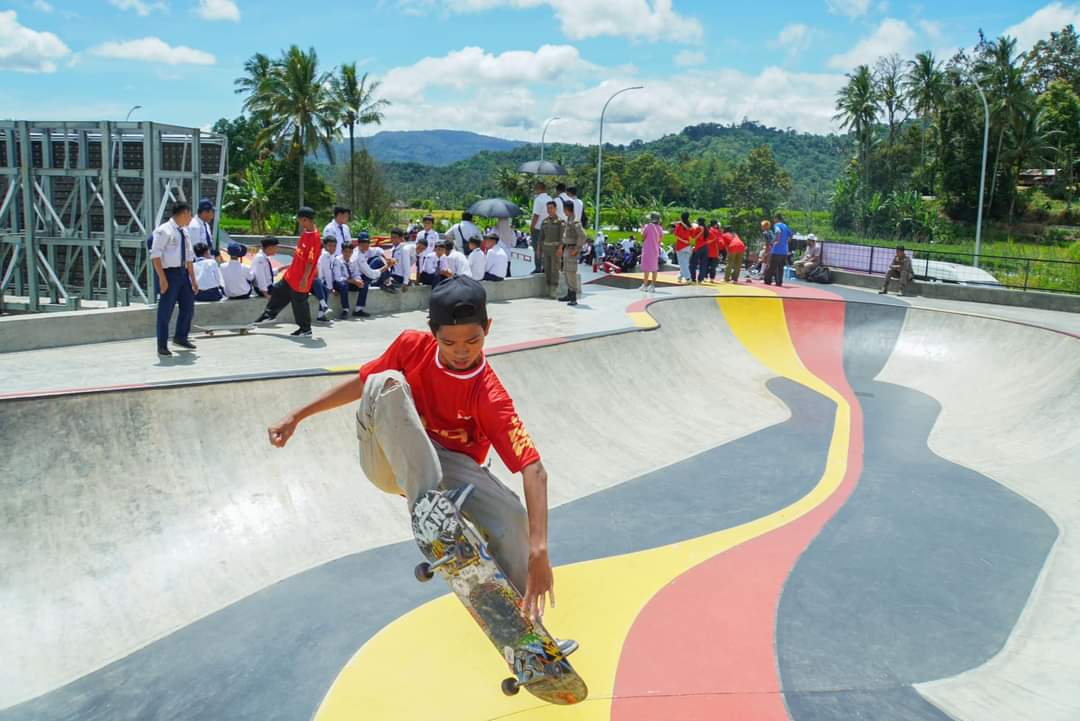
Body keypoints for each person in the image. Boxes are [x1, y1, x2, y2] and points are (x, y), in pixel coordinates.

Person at [267, 276, 560, 622]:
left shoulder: (489, 395)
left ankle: (529, 631)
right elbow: (362, 385)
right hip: (387, 455)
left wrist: (538, 551)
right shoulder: (411, 347)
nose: (462, 351)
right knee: (384, 381)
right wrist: (298, 415)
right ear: (433, 333)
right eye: (449, 342)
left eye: (473, 340)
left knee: (511, 514)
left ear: (488, 329)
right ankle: (429, 511)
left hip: (446, 469)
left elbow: (533, 468)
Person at [254, 206, 320, 337]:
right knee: (279, 290)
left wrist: (305, 278)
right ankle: (270, 315)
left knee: (299, 303)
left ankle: (305, 329)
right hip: (292, 274)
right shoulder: (306, 233)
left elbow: (310, 261)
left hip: (301, 278)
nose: (299, 223)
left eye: (300, 220)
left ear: (306, 220)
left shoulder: (315, 238)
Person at [150, 202, 197, 356]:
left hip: (183, 273)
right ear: (184, 213)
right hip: (169, 273)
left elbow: (189, 257)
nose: (191, 218)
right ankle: (162, 344)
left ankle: (181, 336)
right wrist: (162, 279)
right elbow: (155, 256)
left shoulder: (184, 231)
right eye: (190, 215)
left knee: (188, 306)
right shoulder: (164, 231)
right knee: (166, 310)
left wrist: (193, 280)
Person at [558, 198, 585, 306]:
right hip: (567, 249)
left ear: (566, 209)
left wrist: (577, 249)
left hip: (571, 250)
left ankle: (573, 297)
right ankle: (569, 294)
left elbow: (583, 236)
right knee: (566, 272)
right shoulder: (569, 220)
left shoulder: (575, 221)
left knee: (571, 273)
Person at [538, 200, 564, 299]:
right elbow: (541, 237)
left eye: (551, 208)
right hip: (546, 249)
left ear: (555, 208)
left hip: (555, 249)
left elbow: (562, 237)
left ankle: (554, 289)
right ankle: (548, 288)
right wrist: (538, 249)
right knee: (547, 269)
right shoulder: (544, 221)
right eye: (548, 208)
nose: (549, 210)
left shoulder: (560, 221)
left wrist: (560, 248)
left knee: (554, 269)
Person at [341, 242, 371, 318]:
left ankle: (358, 309)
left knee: (365, 283)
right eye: (346, 251)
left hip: (351, 281)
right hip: (340, 283)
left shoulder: (353, 261)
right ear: (342, 251)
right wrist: (354, 281)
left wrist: (358, 281)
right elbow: (338, 277)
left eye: (350, 252)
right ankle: (345, 310)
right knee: (344, 285)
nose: (348, 254)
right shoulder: (338, 261)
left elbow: (356, 273)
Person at [529, 181, 553, 274]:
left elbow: (536, 215)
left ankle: (538, 267)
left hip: (539, 228)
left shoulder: (538, 200)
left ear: (539, 189)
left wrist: (532, 226)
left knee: (537, 248)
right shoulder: (550, 198)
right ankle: (546, 267)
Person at [313, 235, 338, 322]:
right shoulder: (325, 254)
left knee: (325, 289)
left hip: (319, 280)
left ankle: (321, 315)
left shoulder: (330, 256)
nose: (332, 248)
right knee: (325, 288)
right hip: (316, 280)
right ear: (325, 245)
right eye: (330, 245)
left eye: (334, 246)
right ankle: (323, 309)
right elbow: (327, 273)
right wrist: (331, 288)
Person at [763, 213, 791, 287]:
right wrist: (785, 243)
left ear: (776, 218)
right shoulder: (785, 226)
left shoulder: (777, 225)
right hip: (784, 251)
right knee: (780, 267)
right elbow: (790, 235)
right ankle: (779, 282)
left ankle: (767, 280)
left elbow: (778, 232)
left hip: (776, 250)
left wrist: (776, 241)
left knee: (771, 266)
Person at [638, 213, 663, 292]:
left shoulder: (648, 226)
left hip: (647, 250)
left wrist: (642, 229)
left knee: (646, 268)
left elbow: (643, 236)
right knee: (654, 268)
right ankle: (652, 286)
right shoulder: (659, 228)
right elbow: (660, 238)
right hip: (655, 250)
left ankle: (645, 285)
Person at [673, 212, 693, 284]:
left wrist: (683, 240)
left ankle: (688, 278)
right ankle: (680, 276)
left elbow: (676, 235)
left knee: (682, 264)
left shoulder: (679, 225)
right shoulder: (690, 225)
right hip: (688, 246)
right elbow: (691, 234)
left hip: (680, 246)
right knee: (685, 263)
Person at [688, 217, 708, 284]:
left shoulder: (699, 228)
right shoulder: (706, 229)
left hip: (698, 247)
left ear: (698, 221)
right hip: (705, 247)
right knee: (703, 264)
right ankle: (700, 279)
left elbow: (694, 237)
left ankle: (693, 278)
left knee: (693, 263)